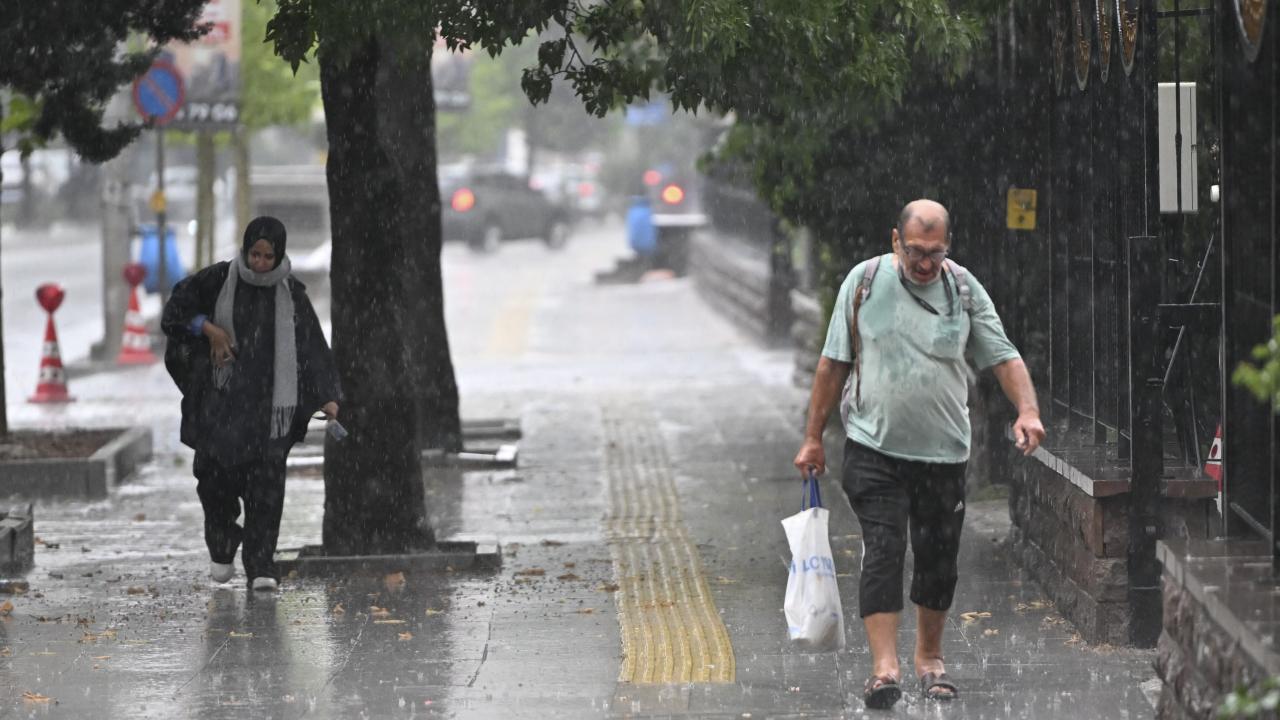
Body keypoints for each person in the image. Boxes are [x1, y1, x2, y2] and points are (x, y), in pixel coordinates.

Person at [792, 199, 1045, 709]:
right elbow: (832, 364)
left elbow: (1003, 356)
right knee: (884, 549)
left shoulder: (963, 290)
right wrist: (813, 436)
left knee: (938, 559)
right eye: (914, 251)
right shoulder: (864, 282)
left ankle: (930, 659)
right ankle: (884, 669)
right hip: (873, 447)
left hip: (944, 454)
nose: (925, 262)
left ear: (947, 246)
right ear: (895, 241)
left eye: (935, 252)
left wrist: (1028, 410)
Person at [162, 216, 342, 592]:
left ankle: (261, 564)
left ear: (279, 255)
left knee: (266, 489)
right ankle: (223, 543)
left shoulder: (291, 294)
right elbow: (175, 312)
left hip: (268, 411)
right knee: (214, 484)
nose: (259, 263)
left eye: (267, 256)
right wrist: (209, 330)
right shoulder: (217, 280)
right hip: (220, 409)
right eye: (254, 254)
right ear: (245, 250)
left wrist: (327, 395)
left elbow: (311, 346)